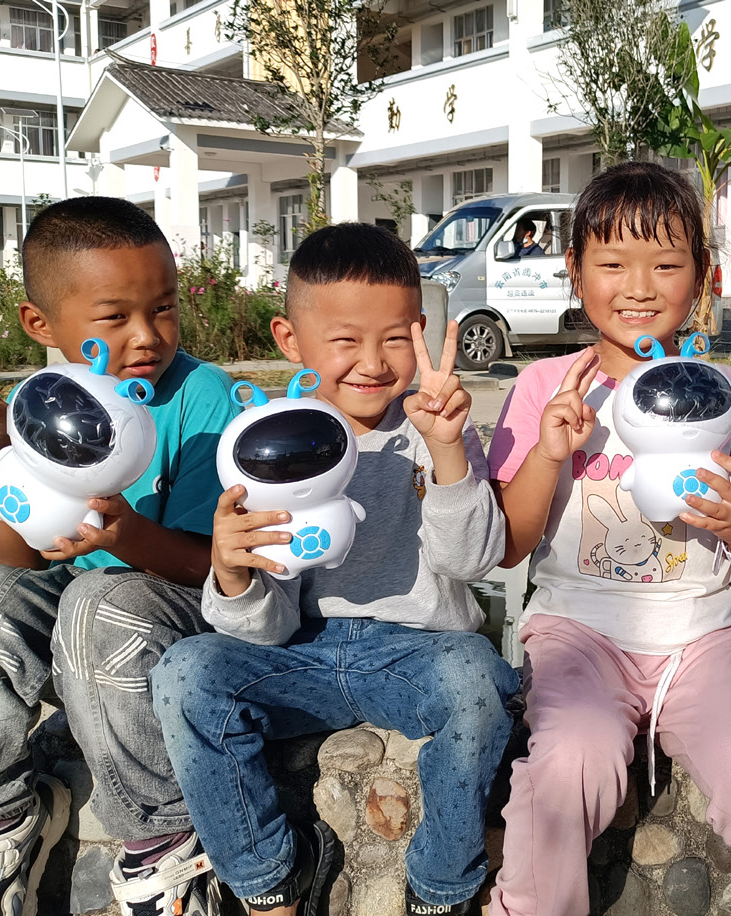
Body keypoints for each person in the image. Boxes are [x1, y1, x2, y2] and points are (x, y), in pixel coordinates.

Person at [486, 162, 731, 916]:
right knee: (571, 762)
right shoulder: (545, 388)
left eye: (666, 265)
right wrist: (547, 452)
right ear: (575, 270)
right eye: (612, 264)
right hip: (577, 636)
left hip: (706, 640)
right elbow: (507, 545)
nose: (639, 287)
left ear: (701, 275)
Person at [153, 222, 517, 916]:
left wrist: (447, 452)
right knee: (187, 672)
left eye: (395, 338)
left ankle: (442, 887)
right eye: (345, 340)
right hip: (299, 653)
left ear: (419, 331)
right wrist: (233, 572)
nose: (372, 363)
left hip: (418, 650)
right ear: (290, 340)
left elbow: (470, 560)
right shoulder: (268, 442)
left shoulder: (436, 424)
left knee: (478, 677)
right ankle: (267, 883)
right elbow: (262, 631)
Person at [0, 197, 239, 916]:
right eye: (114, 316)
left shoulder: (202, 397)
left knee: (100, 601)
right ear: (41, 325)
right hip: (77, 605)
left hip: (167, 607)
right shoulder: (46, 404)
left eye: (163, 308)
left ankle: (161, 845)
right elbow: (17, 560)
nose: (147, 336)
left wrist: (124, 535)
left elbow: (211, 567)